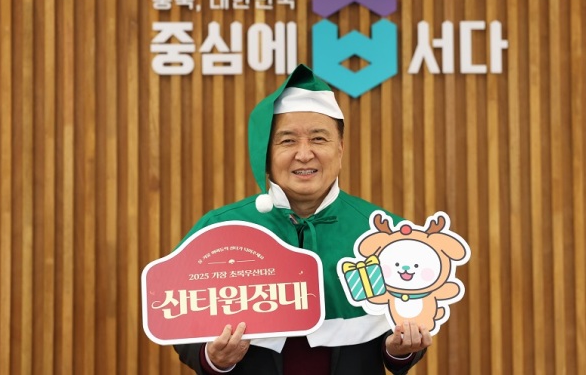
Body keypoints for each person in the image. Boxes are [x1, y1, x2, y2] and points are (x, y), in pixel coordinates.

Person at [174, 64, 432, 374]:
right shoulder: (220, 230)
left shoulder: (384, 234)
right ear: (265, 154)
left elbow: (405, 324)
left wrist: (399, 351)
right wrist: (215, 359)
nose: (304, 154)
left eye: (319, 139)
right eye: (287, 141)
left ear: (340, 148)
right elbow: (179, 324)